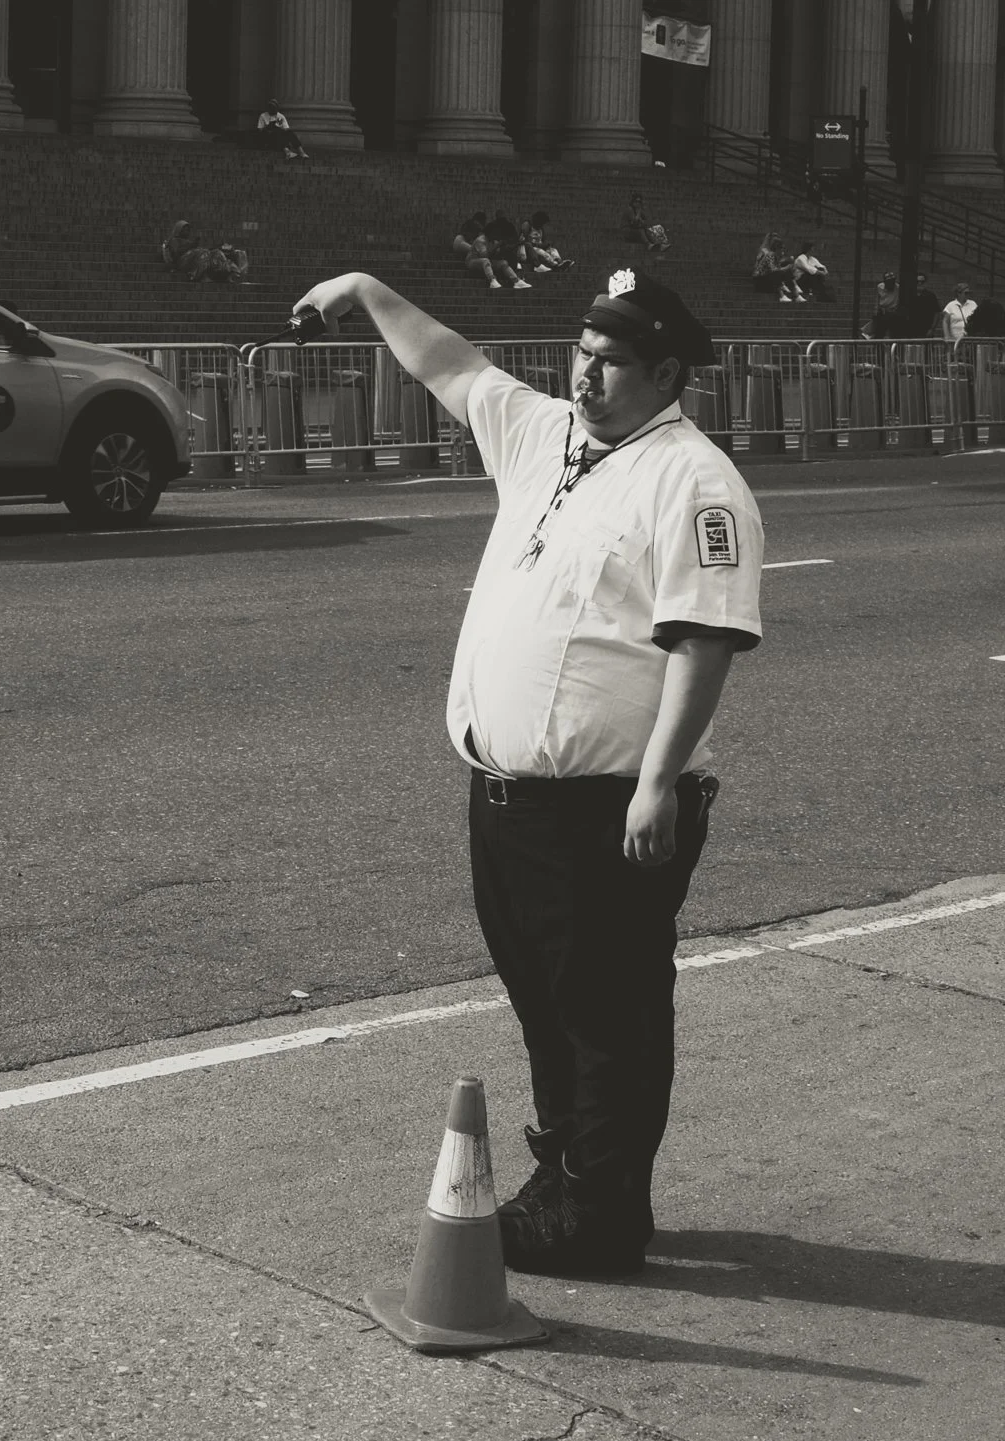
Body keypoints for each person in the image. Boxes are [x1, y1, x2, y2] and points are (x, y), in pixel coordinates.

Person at [292, 262, 762, 1275]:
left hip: (606, 806)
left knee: (609, 1013)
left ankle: (598, 1215)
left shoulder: (695, 482)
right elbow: (453, 368)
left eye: (612, 364)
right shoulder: (544, 434)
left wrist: (655, 784)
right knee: (549, 1006)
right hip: (510, 804)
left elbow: (704, 644)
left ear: (668, 372)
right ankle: (574, 1181)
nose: (586, 379)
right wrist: (370, 292)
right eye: (582, 358)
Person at [464, 227, 530, 291]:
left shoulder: (494, 241)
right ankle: (492, 280)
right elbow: (484, 255)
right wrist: (497, 246)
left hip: (487, 262)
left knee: (503, 263)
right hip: (472, 261)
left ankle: (516, 281)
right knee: (485, 261)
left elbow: (495, 254)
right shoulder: (480, 240)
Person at [751, 232, 798, 303]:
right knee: (776, 273)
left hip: (768, 279)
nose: (783, 251)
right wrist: (786, 268)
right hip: (760, 282)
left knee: (786, 272)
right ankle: (782, 296)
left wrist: (788, 269)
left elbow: (778, 269)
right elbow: (773, 270)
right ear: (777, 248)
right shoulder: (770, 255)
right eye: (782, 248)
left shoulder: (776, 256)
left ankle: (796, 295)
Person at [867, 271, 901, 338]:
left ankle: (894, 348)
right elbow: (877, 298)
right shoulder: (880, 287)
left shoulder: (898, 288)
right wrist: (876, 310)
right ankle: (878, 347)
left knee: (894, 334)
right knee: (879, 333)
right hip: (882, 312)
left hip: (893, 312)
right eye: (888, 282)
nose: (890, 283)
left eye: (892, 281)